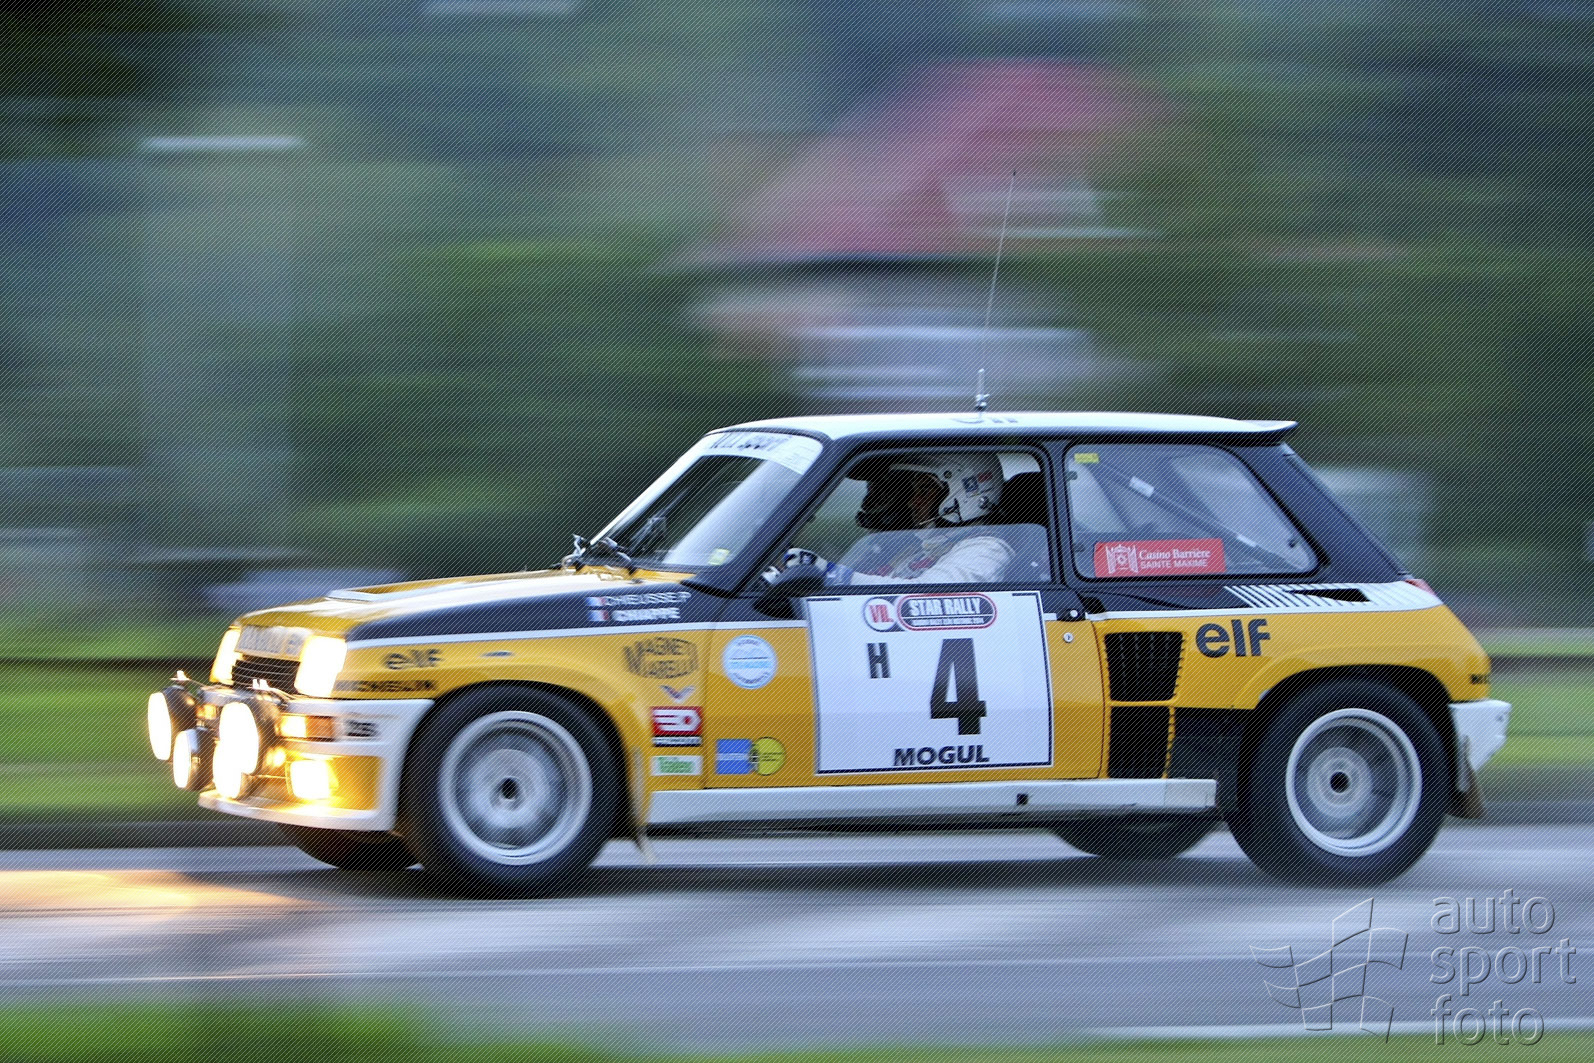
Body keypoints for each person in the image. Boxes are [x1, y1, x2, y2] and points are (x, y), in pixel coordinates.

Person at [771, 453, 1014, 585]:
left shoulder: (987, 550)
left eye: (924, 490)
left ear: (965, 493)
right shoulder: (919, 549)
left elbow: (925, 599)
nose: (912, 502)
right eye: (914, 491)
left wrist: (828, 573)